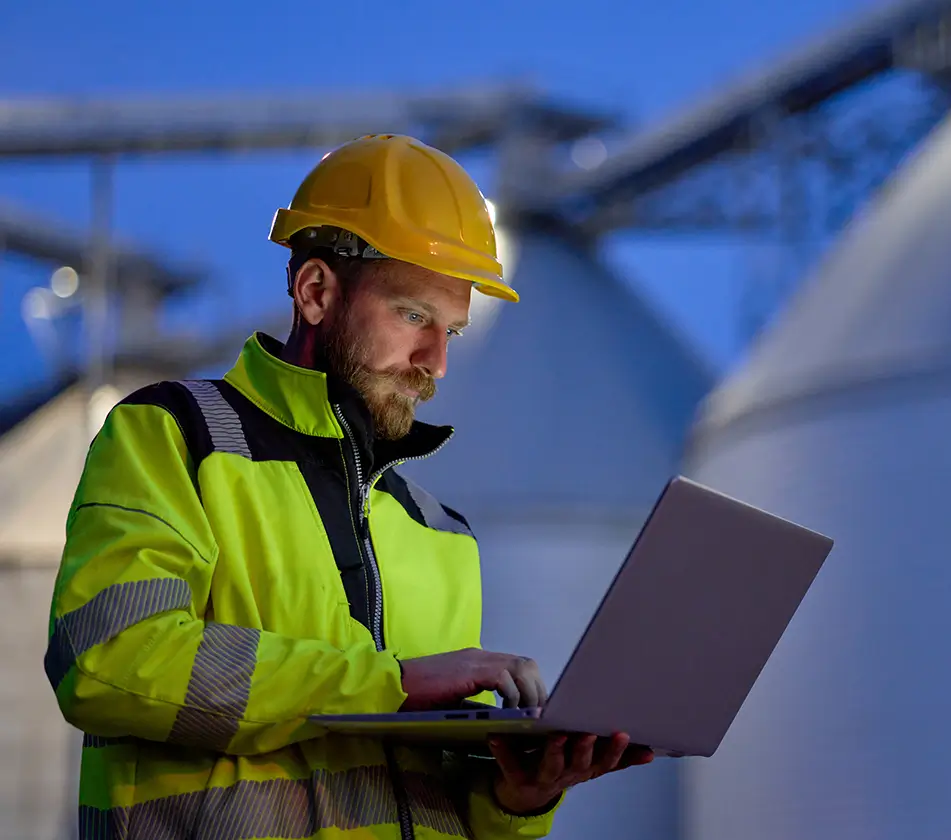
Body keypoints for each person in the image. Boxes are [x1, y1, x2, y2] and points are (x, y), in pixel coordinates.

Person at [44, 133, 653, 839]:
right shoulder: (176, 437)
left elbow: (431, 799)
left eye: (452, 330)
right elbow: (107, 658)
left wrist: (518, 800)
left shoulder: (441, 533)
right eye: (415, 316)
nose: (437, 363)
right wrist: (389, 683)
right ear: (315, 292)